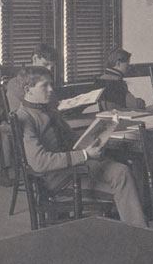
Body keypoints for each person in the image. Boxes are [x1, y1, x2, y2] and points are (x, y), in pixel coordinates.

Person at [14, 66, 146, 227]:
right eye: (44, 86)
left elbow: (71, 139)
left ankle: (137, 222)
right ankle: (138, 232)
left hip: (71, 170)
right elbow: (39, 162)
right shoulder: (25, 117)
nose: (50, 89)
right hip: (60, 182)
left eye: (51, 85)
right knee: (123, 176)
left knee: (123, 168)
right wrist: (85, 155)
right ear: (28, 90)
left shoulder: (48, 109)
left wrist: (95, 139)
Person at [5, 43, 57, 114]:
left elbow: (53, 104)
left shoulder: (47, 82)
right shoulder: (15, 83)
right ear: (35, 59)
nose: (49, 70)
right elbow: (18, 115)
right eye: (45, 64)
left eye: (52, 67)